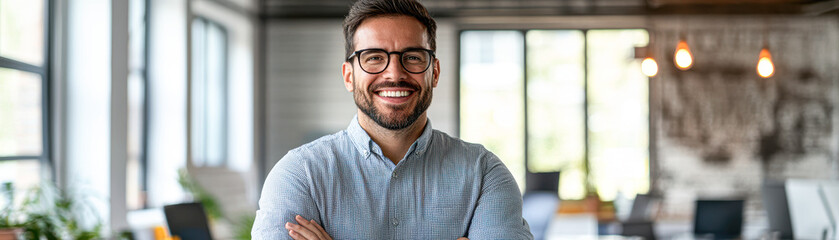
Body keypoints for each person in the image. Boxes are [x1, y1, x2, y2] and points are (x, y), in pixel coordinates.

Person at [251, 0, 532, 239]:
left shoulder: (484, 175)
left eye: (412, 57)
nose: (394, 73)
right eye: (373, 57)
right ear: (349, 76)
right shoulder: (299, 175)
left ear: (434, 72)